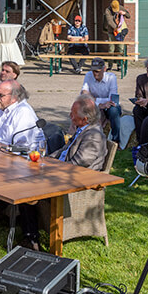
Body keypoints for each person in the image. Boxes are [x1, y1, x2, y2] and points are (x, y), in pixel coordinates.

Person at [20, 95, 109, 250]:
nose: (70, 116)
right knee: (24, 180)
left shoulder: (94, 136)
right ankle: (27, 233)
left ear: (85, 119)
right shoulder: (83, 130)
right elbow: (64, 150)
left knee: (28, 190)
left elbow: (77, 165)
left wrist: (51, 169)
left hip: (76, 182)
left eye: (73, 114)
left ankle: (32, 238)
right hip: (63, 173)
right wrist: (45, 159)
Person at [0, 81, 43, 148]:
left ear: (14, 97)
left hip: (19, 155)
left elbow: (23, 146)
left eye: (1, 95)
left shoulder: (23, 112)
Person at [82, 58, 123, 147]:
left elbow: (113, 98)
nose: (95, 73)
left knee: (114, 111)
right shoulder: (88, 75)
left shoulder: (111, 77)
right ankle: (84, 138)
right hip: (96, 105)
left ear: (104, 69)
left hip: (109, 105)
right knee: (82, 107)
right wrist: (100, 104)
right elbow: (84, 94)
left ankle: (116, 141)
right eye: (93, 71)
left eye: (97, 71)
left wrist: (95, 100)